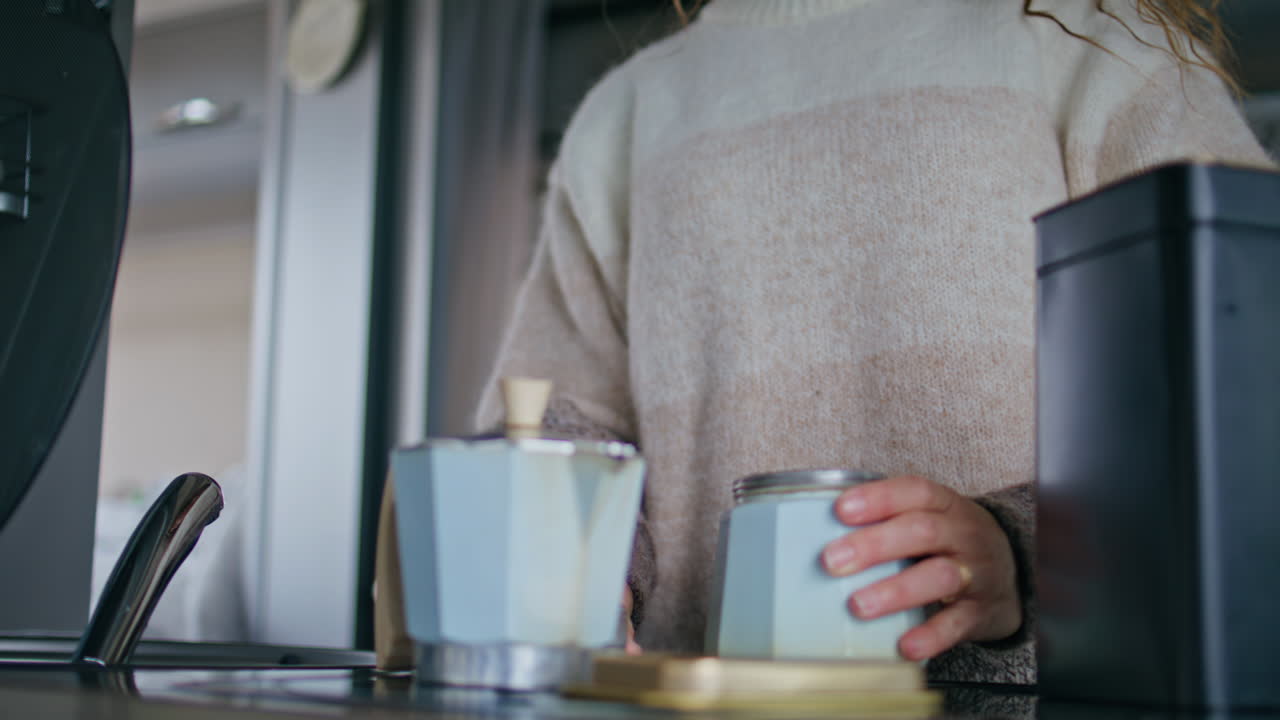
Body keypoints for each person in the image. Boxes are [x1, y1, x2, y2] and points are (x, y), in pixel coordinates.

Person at [475, 0, 1273, 684]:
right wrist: (575, 558)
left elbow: (1241, 400)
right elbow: (555, 418)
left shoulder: (1093, 45)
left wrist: (1023, 553)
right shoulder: (627, 114)